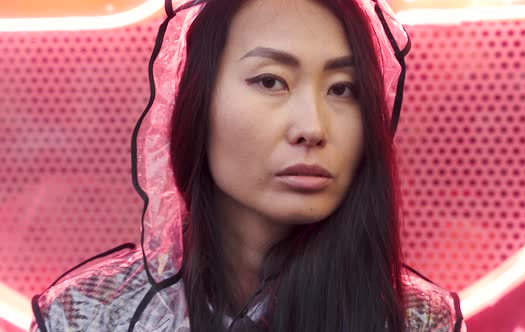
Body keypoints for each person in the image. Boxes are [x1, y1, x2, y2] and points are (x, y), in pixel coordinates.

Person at [30, 0, 466, 331]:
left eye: (342, 89)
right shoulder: (86, 316)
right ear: (196, 103)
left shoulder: (422, 322)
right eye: (271, 81)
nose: (312, 128)